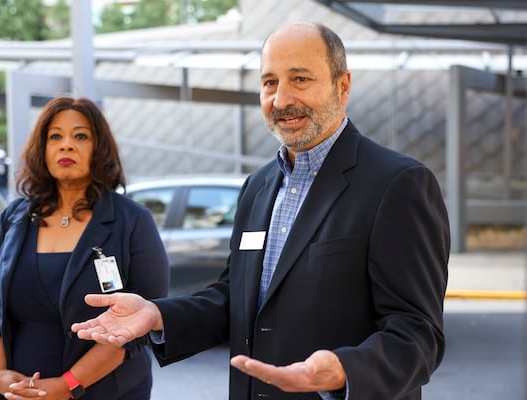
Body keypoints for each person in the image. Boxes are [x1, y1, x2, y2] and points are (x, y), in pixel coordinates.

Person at [71, 22, 450, 400]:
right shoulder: (258, 187)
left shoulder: (397, 184)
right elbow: (232, 299)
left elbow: (418, 333)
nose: (281, 100)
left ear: (343, 85)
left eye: (300, 79)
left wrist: (345, 370)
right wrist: (157, 315)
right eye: (270, 83)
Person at [0, 97, 170, 400]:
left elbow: (139, 324)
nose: (66, 145)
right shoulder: (14, 218)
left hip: (105, 392)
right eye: (55, 136)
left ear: (99, 148)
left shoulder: (132, 222)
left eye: (80, 136)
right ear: (43, 149)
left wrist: (68, 385)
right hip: (15, 394)